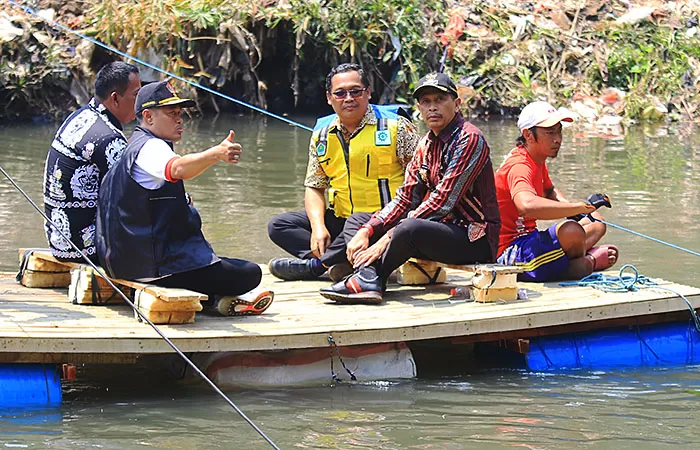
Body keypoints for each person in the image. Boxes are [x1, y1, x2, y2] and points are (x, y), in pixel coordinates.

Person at [319, 72, 501, 304]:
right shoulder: (425, 143)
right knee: (358, 220)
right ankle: (368, 277)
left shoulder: (470, 138)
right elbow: (405, 199)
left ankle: (367, 276)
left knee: (409, 228)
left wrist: (386, 238)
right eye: (426, 102)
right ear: (419, 108)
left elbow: (443, 201)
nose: (432, 108)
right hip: (436, 232)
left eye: (440, 100)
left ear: (456, 104)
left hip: (474, 239)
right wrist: (368, 230)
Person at [96, 80, 272, 316]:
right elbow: (177, 168)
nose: (180, 120)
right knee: (249, 273)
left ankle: (211, 300)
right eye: (171, 114)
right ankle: (213, 298)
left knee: (217, 258)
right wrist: (215, 154)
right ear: (148, 116)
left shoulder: (134, 146)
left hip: (127, 261)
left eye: (180, 113)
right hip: (152, 268)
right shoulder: (150, 148)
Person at [267, 63, 419, 282]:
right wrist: (319, 228)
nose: (348, 98)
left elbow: (422, 180)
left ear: (368, 93)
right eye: (340, 93)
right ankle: (346, 261)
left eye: (355, 91)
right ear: (329, 98)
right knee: (279, 225)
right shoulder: (321, 134)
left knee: (359, 224)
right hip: (342, 219)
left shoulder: (397, 127)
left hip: (383, 221)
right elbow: (314, 185)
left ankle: (318, 265)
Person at [494, 101, 619, 282]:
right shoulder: (519, 165)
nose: (558, 139)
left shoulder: (537, 159)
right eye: (550, 132)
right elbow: (526, 204)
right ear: (528, 135)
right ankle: (586, 262)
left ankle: (575, 260)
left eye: (559, 131)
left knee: (597, 222)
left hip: (530, 238)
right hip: (509, 253)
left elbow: (549, 191)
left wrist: (580, 210)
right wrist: (578, 208)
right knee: (572, 232)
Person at [43, 61, 141, 262]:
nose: (139, 102)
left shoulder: (81, 116)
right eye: (135, 95)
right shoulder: (109, 140)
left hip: (59, 242)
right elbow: (134, 197)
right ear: (115, 98)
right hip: (84, 249)